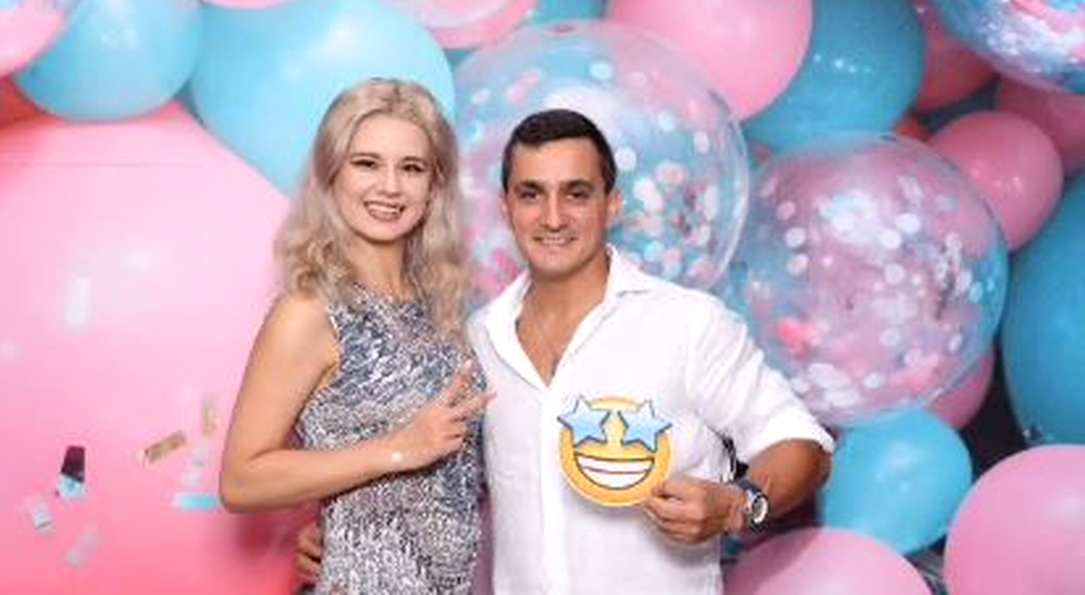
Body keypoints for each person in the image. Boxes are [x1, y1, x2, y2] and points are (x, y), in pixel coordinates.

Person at [298, 108, 832, 594]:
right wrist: (354, 536)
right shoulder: (477, 340)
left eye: (576, 194)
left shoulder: (690, 324)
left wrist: (738, 504)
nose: (553, 218)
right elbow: (443, 484)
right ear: (507, 207)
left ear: (612, 204)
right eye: (531, 194)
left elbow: (802, 445)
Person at [219, 78, 493, 594]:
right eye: (366, 163)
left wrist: (343, 519)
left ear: (434, 186)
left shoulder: (442, 308)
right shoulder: (309, 311)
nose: (390, 187)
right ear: (331, 175)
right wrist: (397, 448)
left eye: (411, 168)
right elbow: (241, 480)